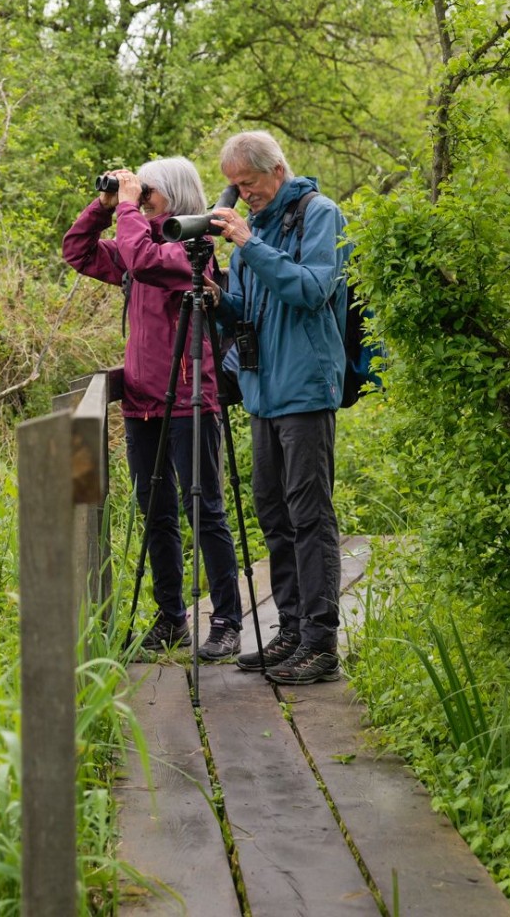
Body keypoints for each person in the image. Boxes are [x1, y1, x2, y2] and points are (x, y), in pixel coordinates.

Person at [62, 157, 243, 662]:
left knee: (203, 509)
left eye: (149, 193)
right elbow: (76, 252)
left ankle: (227, 620)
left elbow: (141, 258)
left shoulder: (194, 250)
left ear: (176, 194)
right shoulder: (136, 243)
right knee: (155, 512)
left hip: (189, 398)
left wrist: (125, 210)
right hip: (142, 402)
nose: (141, 201)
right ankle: (171, 619)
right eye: (139, 195)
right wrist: (103, 208)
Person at [210, 131, 348, 684]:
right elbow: (248, 309)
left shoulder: (321, 214)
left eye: (250, 184)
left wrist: (249, 244)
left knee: (310, 515)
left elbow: (312, 289)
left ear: (278, 169)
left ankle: (321, 642)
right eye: (236, 188)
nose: (244, 196)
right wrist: (218, 297)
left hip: (305, 389)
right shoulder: (258, 231)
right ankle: (290, 629)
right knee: (274, 510)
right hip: (262, 391)